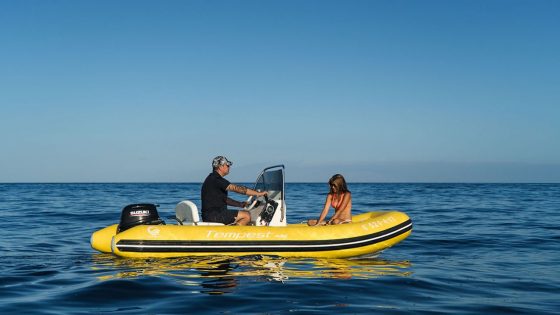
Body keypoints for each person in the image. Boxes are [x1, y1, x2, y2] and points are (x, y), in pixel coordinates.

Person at [201, 156, 267, 225]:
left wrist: (240, 204)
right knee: (246, 216)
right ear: (220, 167)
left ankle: (231, 230)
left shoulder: (211, 178)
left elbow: (224, 199)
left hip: (210, 215)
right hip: (214, 215)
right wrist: (258, 193)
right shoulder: (216, 179)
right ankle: (233, 234)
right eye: (227, 165)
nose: (229, 167)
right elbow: (236, 189)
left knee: (240, 214)